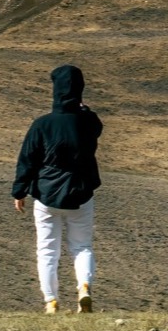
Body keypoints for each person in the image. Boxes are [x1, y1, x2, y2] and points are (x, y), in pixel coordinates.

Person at [12, 64, 103, 313]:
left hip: (47, 195)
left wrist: (19, 191)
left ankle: (51, 300)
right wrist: (83, 109)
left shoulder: (42, 124)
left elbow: (27, 159)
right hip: (81, 193)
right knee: (82, 246)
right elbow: (96, 127)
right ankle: (84, 286)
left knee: (47, 250)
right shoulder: (88, 122)